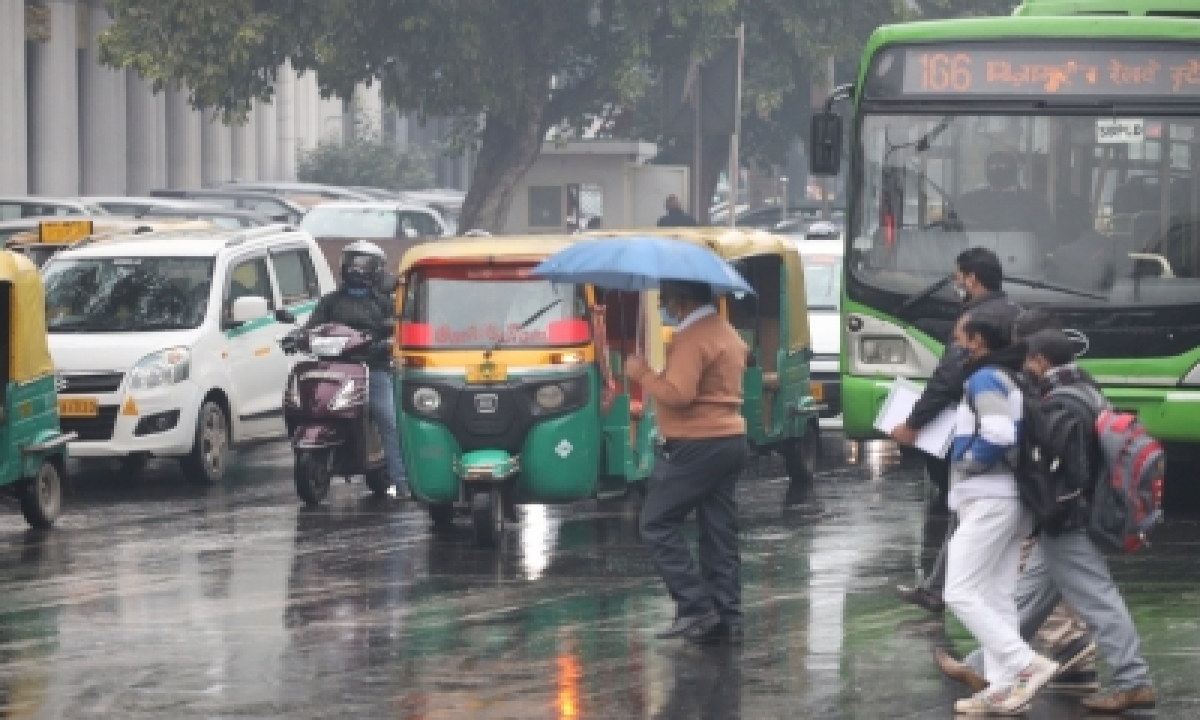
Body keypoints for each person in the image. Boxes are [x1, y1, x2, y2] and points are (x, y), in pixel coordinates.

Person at [945, 330, 1156, 714]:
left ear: (1040, 362)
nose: (1026, 369)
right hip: (1075, 513)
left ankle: (1132, 680)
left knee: (1098, 599)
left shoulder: (1060, 403)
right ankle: (987, 667)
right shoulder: (1087, 390)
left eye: (1029, 362)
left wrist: (1046, 506)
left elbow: (1058, 468)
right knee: (1024, 597)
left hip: (1066, 518)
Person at [942, 311, 1058, 715]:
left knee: (958, 590)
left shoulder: (985, 379)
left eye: (959, 337)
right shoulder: (1012, 378)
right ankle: (1003, 689)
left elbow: (998, 432)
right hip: (1013, 499)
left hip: (989, 498)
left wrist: (967, 462)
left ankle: (1026, 664)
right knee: (997, 595)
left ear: (976, 339)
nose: (955, 344)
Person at [892, 247, 1021, 611]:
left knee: (969, 505)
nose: (956, 286)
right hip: (1012, 430)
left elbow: (949, 375)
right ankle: (937, 587)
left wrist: (915, 423)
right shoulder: (1015, 312)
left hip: (982, 437)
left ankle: (953, 593)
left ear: (972, 279)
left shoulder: (976, 322)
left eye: (958, 278)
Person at [625, 280, 748, 645]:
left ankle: (695, 606)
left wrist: (643, 374)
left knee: (657, 522)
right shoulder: (725, 331)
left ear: (681, 301)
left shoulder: (693, 337)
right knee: (718, 530)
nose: (665, 305)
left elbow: (679, 394)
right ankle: (727, 614)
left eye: (666, 299)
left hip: (696, 442)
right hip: (729, 439)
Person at [300, 241, 409, 498]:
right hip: (333, 369)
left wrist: (388, 341)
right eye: (353, 263)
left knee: (388, 419)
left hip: (373, 369)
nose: (358, 270)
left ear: (377, 270)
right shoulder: (330, 302)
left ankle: (402, 481)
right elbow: (312, 327)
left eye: (365, 265)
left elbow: (399, 328)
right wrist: (297, 336)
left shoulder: (384, 303)